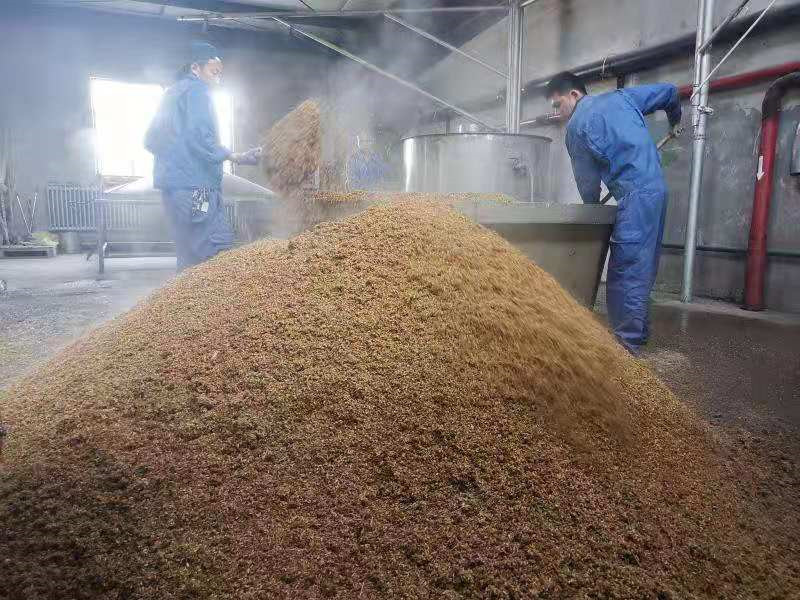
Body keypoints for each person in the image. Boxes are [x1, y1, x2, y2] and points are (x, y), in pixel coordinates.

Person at [545, 71, 683, 355]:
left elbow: (588, 186)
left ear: (574, 95)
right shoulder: (623, 97)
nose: (557, 113)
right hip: (656, 191)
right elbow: (670, 92)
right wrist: (675, 121)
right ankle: (638, 333)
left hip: (635, 197)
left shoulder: (576, 127)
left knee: (626, 270)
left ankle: (626, 349)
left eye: (558, 105)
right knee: (643, 265)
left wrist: (592, 214)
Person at [145, 41, 261, 272]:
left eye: (220, 73)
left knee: (188, 252)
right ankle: (209, 296)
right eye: (214, 71)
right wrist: (235, 156)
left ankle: (183, 295)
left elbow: (151, 140)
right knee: (212, 247)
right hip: (198, 189)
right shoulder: (197, 91)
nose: (218, 77)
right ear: (195, 68)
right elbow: (200, 136)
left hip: (175, 191)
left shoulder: (173, 93)